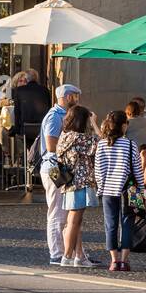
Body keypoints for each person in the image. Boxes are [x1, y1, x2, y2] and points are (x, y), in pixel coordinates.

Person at [95, 109, 144, 272]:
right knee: (128, 223)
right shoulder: (130, 144)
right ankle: (124, 261)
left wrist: (101, 189)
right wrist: (141, 189)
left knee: (110, 225)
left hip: (108, 190)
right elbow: (137, 169)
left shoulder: (102, 143)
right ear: (124, 126)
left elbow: (98, 170)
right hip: (129, 189)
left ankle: (114, 261)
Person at [40, 83, 81, 265]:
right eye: (75, 96)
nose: (77, 99)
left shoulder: (63, 115)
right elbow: (50, 145)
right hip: (54, 168)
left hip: (60, 167)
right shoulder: (54, 116)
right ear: (66, 97)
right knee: (57, 209)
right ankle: (56, 252)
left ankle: (69, 252)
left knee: (66, 209)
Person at [58, 104, 101, 267]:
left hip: (69, 182)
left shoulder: (64, 135)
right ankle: (67, 255)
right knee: (74, 220)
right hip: (80, 181)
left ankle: (79, 256)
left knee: (75, 220)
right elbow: (102, 142)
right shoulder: (78, 137)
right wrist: (95, 124)